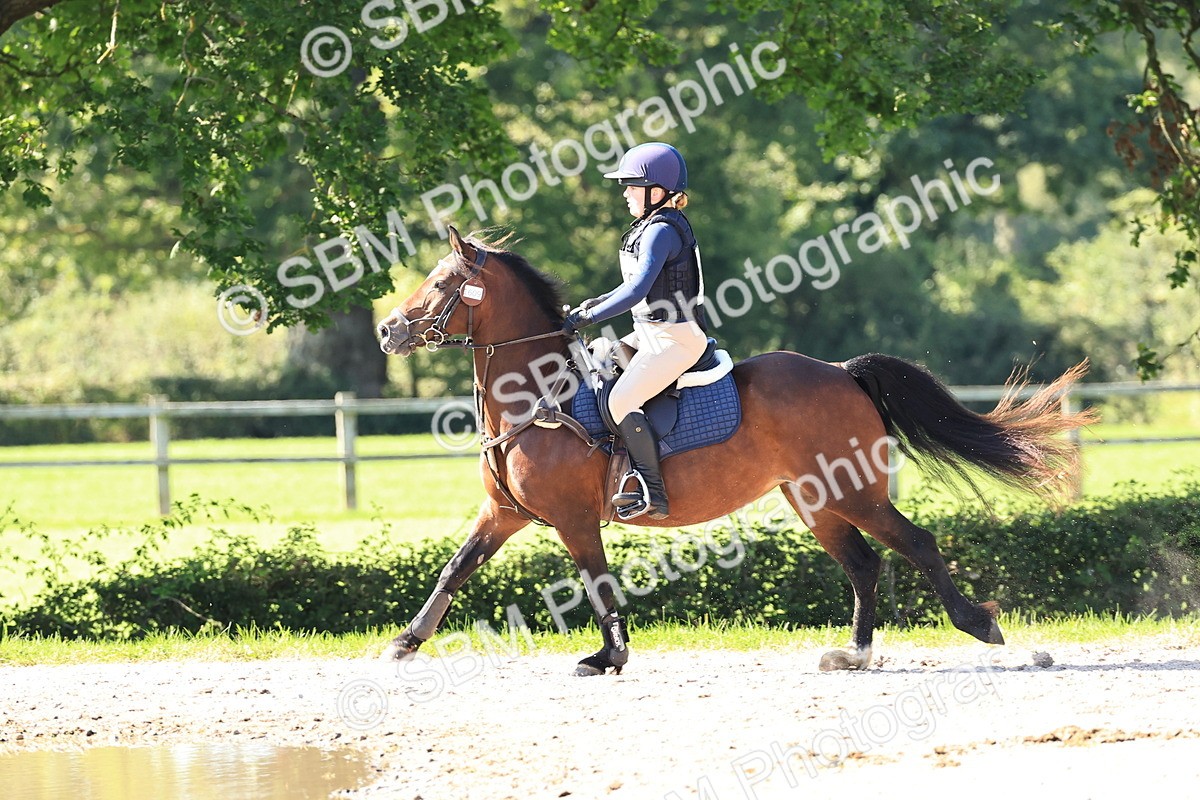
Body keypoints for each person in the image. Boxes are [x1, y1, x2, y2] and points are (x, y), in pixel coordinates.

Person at [562, 142, 709, 519]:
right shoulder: (647, 227)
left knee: (620, 401)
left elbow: (636, 291)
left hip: (675, 339)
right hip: (649, 334)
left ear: (655, 192)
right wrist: (588, 307)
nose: (625, 192)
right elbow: (624, 288)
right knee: (596, 361)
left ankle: (652, 492)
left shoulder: (662, 231)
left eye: (631, 186)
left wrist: (585, 320)